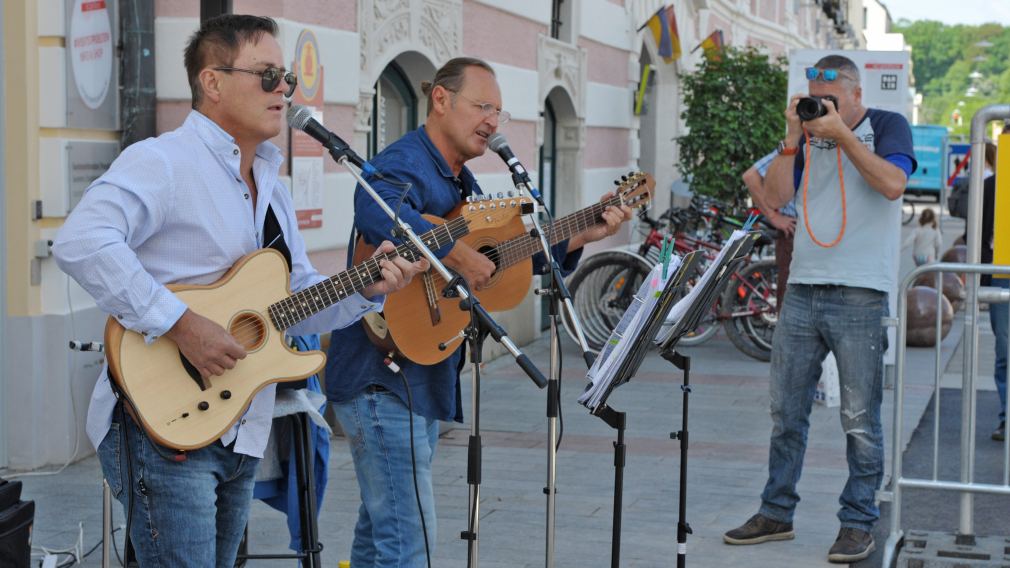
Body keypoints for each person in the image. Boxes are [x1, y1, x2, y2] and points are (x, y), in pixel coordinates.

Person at [52, 15, 424, 567]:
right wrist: (182, 324)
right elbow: (80, 241)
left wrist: (367, 286)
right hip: (162, 428)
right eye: (268, 75)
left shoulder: (272, 185)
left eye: (288, 79)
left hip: (241, 422)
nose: (284, 90)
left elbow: (294, 303)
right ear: (213, 82)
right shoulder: (163, 161)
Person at [326, 57, 633, 567]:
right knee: (410, 543)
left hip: (421, 373)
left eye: (499, 111)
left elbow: (504, 259)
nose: (492, 120)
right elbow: (375, 210)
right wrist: (451, 250)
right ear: (441, 100)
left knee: (384, 532)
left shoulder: (464, 184)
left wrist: (583, 231)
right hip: (379, 376)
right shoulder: (406, 162)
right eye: (482, 106)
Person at [722, 54, 916, 563]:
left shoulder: (888, 125)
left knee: (859, 417)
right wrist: (794, 137)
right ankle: (776, 512)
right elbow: (775, 197)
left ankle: (857, 522)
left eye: (829, 98)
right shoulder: (805, 137)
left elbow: (893, 186)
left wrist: (843, 135)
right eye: (813, 97)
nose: (820, 106)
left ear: (855, 93)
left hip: (860, 292)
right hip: (804, 288)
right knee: (786, 411)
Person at [743, 150, 798, 311]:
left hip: (798, 232)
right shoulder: (801, 145)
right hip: (794, 232)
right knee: (790, 300)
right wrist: (773, 216)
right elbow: (750, 176)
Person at [981, 140, 1006, 441]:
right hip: (1002, 271)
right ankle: (1006, 417)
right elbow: (981, 228)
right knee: (1005, 350)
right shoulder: (994, 185)